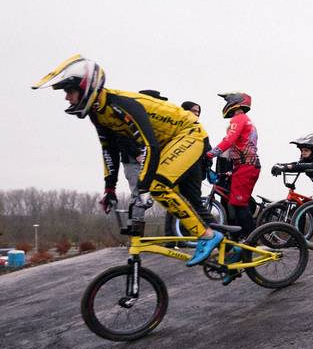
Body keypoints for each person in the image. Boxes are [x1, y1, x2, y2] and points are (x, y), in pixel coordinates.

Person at [32, 55, 221, 266]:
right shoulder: (98, 113)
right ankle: (227, 247)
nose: (67, 98)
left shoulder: (120, 105)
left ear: (85, 88)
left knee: (158, 186)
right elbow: (108, 151)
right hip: (171, 141)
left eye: (69, 92)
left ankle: (207, 236)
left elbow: (150, 145)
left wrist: (143, 185)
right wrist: (110, 189)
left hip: (189, 133)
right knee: (187, 198)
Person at [210, 92, 260, 244]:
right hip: (246, 165)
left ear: (234, 102)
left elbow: (229, 139)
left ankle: (251, 239)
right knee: (236, 202)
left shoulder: (239, 118)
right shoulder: (247, 120)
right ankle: (241, 237)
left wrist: (210, 153)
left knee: (238, 203)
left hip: (246, 165)